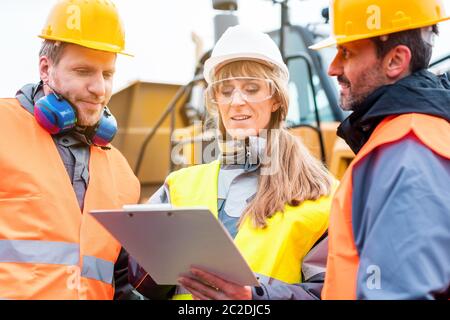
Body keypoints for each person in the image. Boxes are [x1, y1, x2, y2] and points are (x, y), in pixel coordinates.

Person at [129, 25, 337, 300]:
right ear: (215, 100)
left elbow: (330, 293)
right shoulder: (179, 186)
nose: (237, 102)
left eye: (251, 89)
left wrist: (254, 298)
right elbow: (139, 283)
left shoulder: (324, 197)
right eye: (226, 91)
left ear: (276, 99)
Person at [0, 0, 141, 299]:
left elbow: (119, 284)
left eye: (107, 74)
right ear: (45, 68)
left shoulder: (122, 175)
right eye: (83, 71)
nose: (99, 89)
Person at [310, 0, 450, 299]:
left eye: (346, 52)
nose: (333, 67)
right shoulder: (408, 138)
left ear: (395, 61)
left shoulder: (406, 151)